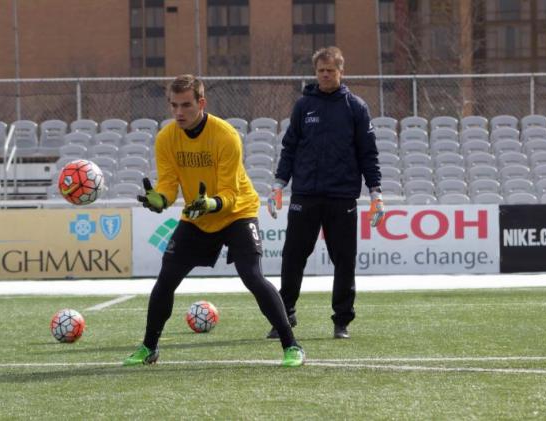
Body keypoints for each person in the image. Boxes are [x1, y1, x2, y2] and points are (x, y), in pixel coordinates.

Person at [124, 74, 305, 367]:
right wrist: (161, 200)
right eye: (174, 105)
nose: (179, 113)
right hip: (197, 216)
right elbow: (169, 185)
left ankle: (292, 345)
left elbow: (231, 193)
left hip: (237, 212)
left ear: (201, 103)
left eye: (186, 105)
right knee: (166, 279)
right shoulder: (166, 138)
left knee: (252, 276)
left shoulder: (225, 135)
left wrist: (211, 203)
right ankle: (149, 348)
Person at [266, 46, 384, 340]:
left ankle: (341, 320)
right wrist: (279, 183)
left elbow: (368, 153)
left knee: (344, 259)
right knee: (293, 256)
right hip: (305, 194)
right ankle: (286, 315)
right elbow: (290, 147)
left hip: (342, 196)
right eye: (321, 70)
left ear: (341, 71)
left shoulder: (355, 107)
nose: (325, 75)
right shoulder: (303, 107)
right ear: (315, 72)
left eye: (331, 70)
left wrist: (375, 192)